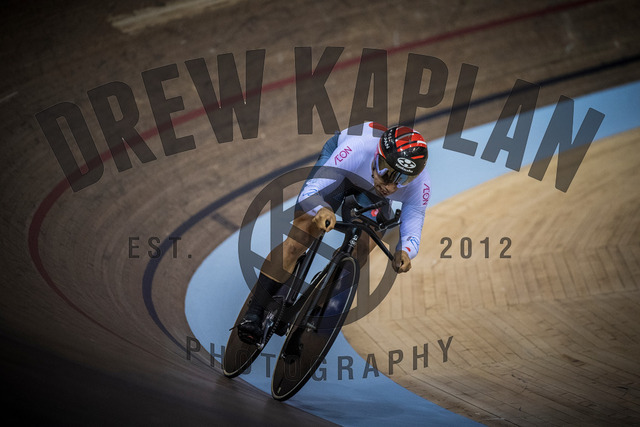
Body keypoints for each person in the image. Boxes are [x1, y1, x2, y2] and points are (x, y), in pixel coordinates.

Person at [237, 121, 431, 344]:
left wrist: (405, 251)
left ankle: (311, 310)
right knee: (302, 233)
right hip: (342, 172)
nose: (391, 187)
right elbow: (311, 192)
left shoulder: (420, 184)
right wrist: (320, 209)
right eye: (387, 174)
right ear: (377, 156)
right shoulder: (357, 148)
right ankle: (255, 310)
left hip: (370, 193)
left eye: (402, 180)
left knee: (361, 249)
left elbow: (413, 224)